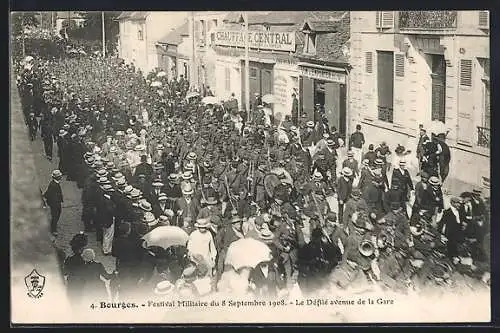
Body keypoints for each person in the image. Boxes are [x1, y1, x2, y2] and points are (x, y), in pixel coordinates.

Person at [43, 170, 64, 236]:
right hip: (55, 203)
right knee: (55, 215)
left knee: (56, 214)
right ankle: (53, 229)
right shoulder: (54, 185)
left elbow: (47, 192)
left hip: (55, 203)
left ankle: (53, 226)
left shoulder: (53, 183)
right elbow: (51, 194)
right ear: (58, 177)